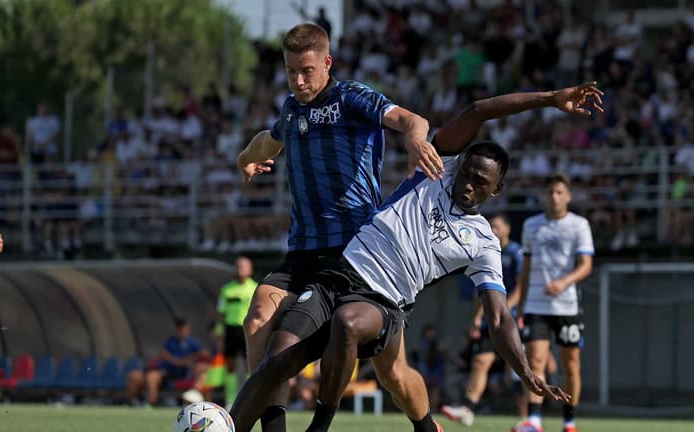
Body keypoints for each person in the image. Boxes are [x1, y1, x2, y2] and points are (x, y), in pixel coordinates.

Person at [230, 83, 604, 432]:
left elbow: (499, 315)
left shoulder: (484, 243)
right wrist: (552, 97)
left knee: (348, 323)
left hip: (382, 302)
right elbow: (476, 111)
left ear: (497, 190)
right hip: (338, 273)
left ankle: (318, 428)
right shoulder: (437, 168)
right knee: (275, 363)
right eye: (467, 174)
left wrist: (523, 369)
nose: (469, 185)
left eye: (481, 183)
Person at [236, 22, 442, 432]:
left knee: (394, 374)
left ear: (326, 63)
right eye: (291, 70)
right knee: (258, 319)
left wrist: (417, 141)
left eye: (307, 70)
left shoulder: (351, 98)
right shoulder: (291, 109)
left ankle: (426, 426)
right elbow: (269, 139)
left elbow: (410, 119)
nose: (298, 80)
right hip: (303, 254)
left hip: (358, 257)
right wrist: (245, 158)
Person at [514, 173, 595, 432]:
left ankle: (569, 421)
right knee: (535, 361)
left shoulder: (579, 225)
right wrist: (523, 304)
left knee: (570, 364)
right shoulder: (531, 225)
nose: (554, 196)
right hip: (537, 305)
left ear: (568, 196)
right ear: (544, 196)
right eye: (550, 192)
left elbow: (586, 266)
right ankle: (534, 420)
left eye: (559, 192)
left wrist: (564, 282)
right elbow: (525, 268)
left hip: (567, 306)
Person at [441, 214, 526, 426]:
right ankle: (468, 409)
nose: (494, 230)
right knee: (480, 362)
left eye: (497, 226)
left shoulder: (517, 253)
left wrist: (505, 310)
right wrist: (477, 319)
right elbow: (482, 291)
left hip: (512, 320)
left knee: (517, 371)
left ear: (507, 229)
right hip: (491, 321)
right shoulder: (486, 251)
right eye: (491, 226)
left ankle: (529, 418)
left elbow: (520, 288)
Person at [126, 318, 210, 407]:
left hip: (171, 374)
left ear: (187, 329)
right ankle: (130, 402)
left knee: (152, 377)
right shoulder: (171, 341)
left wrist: (185, 360)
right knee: (133, 375)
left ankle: (151, 403)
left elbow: (205, 354)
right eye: (179, 328)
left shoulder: (191, 342)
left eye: (183, 328)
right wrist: (172, 359)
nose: (181, 331)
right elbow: (162, 354)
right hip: (159, 369)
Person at [216, 256, 258, 406]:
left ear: (250, 269)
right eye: (238, 266)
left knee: (250, 365)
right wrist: (219, 332)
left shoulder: (256, 288)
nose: (240, 268)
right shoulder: (227, 289)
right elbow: (221, 312)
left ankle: (248, 399)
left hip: (248, 330)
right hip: (231, 329)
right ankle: (230, 400)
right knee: (230, 366)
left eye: (243, 266)